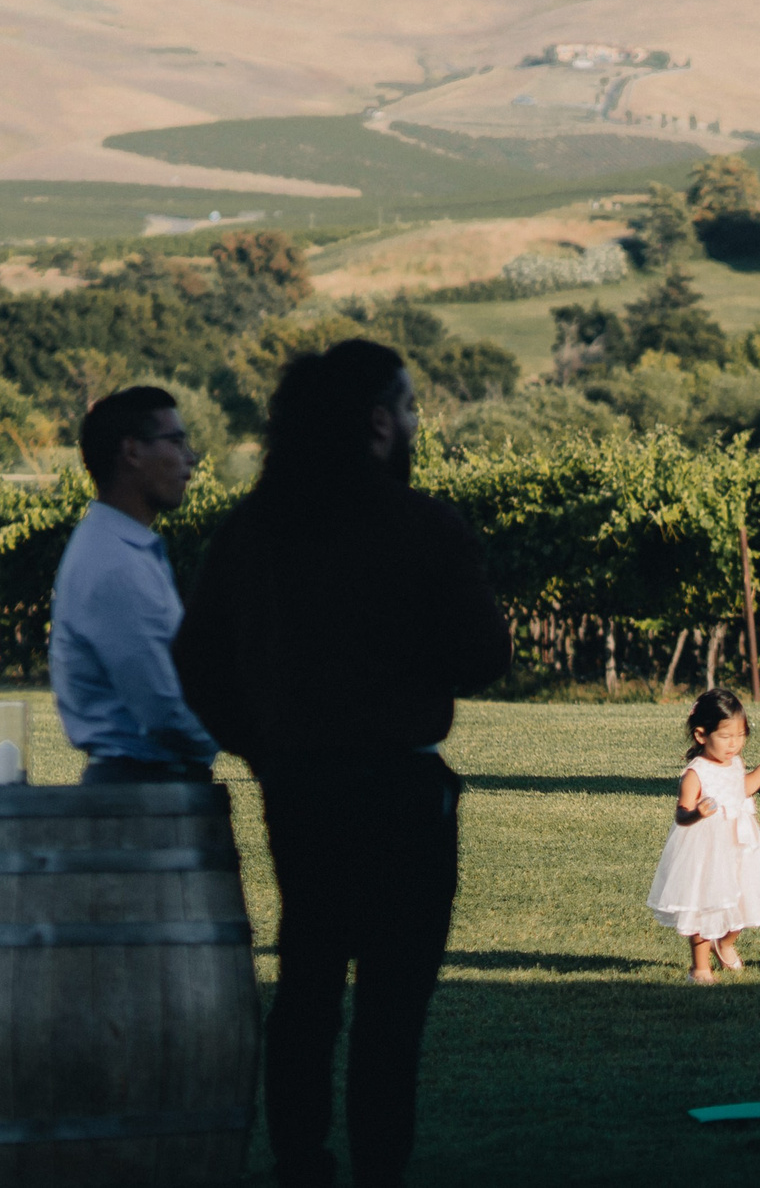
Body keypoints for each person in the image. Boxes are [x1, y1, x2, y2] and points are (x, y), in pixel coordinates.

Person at [175, 339, 508, 1188]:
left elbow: (198, 665)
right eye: (409, 406)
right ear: (377, 423)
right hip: (402, 787)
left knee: (309, 980)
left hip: (300, 788)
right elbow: (482, 655)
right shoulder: (422, 523)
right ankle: (379, 1170)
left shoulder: (255, 528)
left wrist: (266, 746)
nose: (413, 420)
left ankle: (299, 1161)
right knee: (393, 1006)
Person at [50, 386, 217, 785]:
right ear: (132, 452)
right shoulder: (116, 564)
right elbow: (163, 709)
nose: (190, 458)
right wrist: (242, 737)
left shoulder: (118, 547)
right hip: (142, 794)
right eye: (175, 442)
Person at [648, 688, 760, 983]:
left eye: (740, 736)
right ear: (701, 735)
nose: (734, 744)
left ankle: (724, 944)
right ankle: (699, 966)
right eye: (725, 737)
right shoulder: (695, 773)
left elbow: (742, 788)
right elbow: (681, 815)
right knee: (704, 906)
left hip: (740, 844)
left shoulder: (735, 762)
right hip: (706, 848)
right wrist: (697, 813)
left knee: (742, 899)